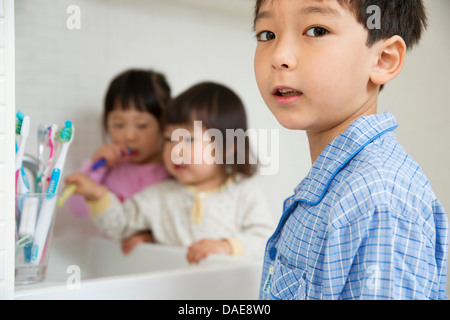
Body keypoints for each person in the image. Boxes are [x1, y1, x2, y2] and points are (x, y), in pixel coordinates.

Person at [253, 0, 448, 300]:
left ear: (383, 59)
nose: (279, 56)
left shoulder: (378, 197)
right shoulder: (339, 187)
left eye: (316, 30)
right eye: (267, 34)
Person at [65, 82, 275, 263]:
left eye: (189, 139)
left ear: (229, 145)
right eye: (169, 139)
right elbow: (119, 225)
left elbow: (267, 242)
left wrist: (227, 247)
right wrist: (97, 195)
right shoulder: (158, 195)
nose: (176, 149)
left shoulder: (244, 193)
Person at [66, 69, 172, 253]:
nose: (129, 135)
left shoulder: (173, 170)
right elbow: (76, 209)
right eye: (118, 125)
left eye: (142, 125)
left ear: (165, 124)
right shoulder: (105, 168)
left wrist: (152, 237)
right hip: (112, 260)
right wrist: (94, 169)